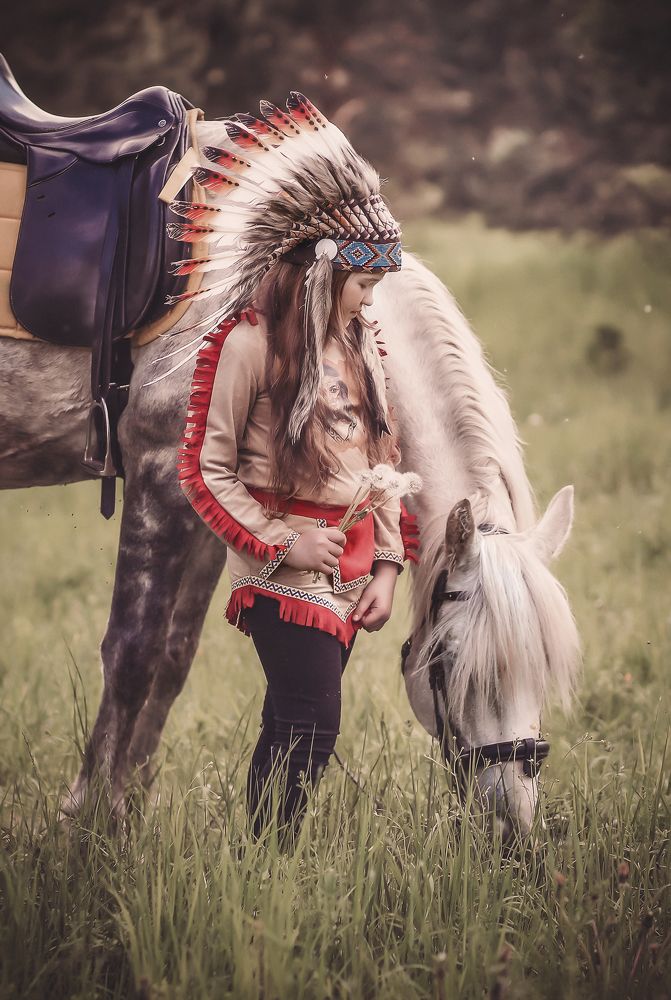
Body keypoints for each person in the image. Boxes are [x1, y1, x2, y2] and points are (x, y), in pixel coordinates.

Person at [173, 93, 416, 847]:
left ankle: (258, 861)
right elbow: (203, 470)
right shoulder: (246, 345)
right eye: (361, 285)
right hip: (284, 565)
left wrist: (384, 565)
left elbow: (382, 461)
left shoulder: (359, 343)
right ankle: (269, 856)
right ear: (318, 273)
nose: (368, 302)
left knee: (290, 719)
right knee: (314, 721)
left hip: (346, 568)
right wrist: (279, 543)